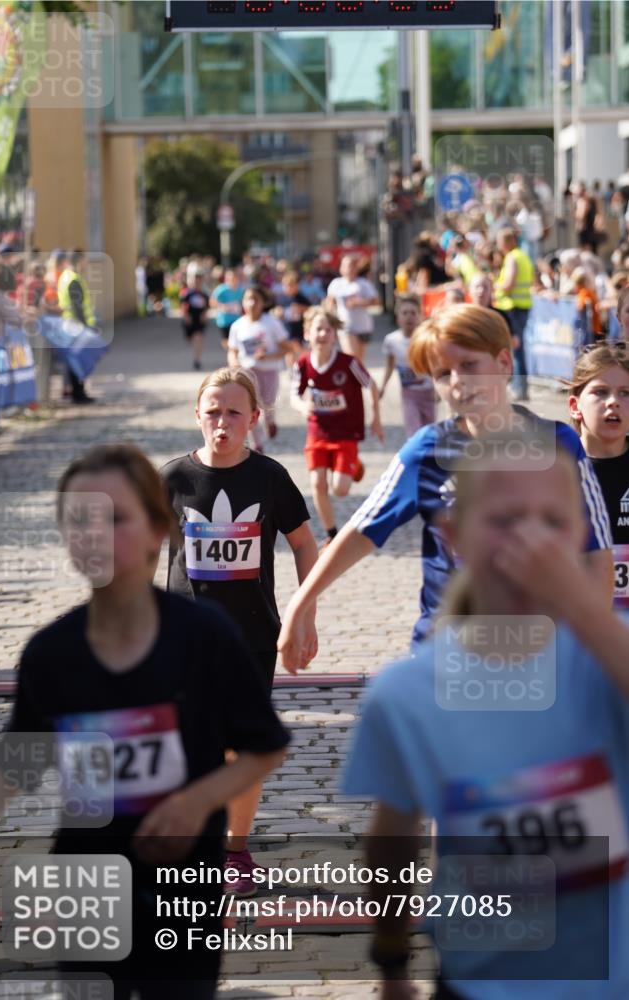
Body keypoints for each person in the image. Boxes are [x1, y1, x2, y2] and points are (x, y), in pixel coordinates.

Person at [0, 443, 290, 999]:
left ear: (159, 528)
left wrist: (194, 801)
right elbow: (19, 755)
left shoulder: (204, 636)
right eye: (79, 520)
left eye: (116, 518)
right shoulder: (52, 653)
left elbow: (264, 748)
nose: (96, 535)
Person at [342, 436, 629, 1000]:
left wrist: (580, 605)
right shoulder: (407, 692)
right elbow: (392, 838)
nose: (530, 540)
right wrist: (391, 958)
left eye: (553, 520)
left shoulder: (605, 661)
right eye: (505, 519)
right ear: (454, 535)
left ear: (582, 534)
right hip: (483, 983)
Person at [278, 305, 613, 669]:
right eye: (442, 373)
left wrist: (592, 642)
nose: (457, 381)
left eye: (469, 365)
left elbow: (597, 550)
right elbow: (361, 530)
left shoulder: (559, 444)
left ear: (504, 362)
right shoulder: (426, 451)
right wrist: (302, 603)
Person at [161, 368, 317, 891]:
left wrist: (304, 611)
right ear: (197, 416)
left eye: (234, 413)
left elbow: (303, 543)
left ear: (254, 418)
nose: (222, 423)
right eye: (212, 412)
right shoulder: (173, 480)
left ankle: (235, 848)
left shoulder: (269, 478)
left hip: (251, 634)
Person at [292, 307, 383, 547]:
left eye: (327, 329)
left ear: (334, 334)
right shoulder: (302, 363)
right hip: (317, 431)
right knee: (317, 483)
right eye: (317, 329)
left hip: (345, 432)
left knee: (340, 489)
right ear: (307, 333)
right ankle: (331, 534)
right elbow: (294, 395)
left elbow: (371, 385)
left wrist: (376, 418)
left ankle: (353, 465)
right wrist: (303, 407)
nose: (322, 334)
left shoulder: (348, 363)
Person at [569, 341, 629, 610]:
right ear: (575, 406)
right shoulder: (551, 470)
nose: (614, 402)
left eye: (626, 393)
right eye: (600, 392)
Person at [227, 285, 289, 449]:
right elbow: (232, 350)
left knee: (267, 403)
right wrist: (234, 363)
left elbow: (286, 347)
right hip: (247, 371)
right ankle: (257, 444)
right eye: (248, 299)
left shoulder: (271, 323)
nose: (252, 303)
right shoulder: (237, 325)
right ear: (243, 302)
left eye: (256, 299)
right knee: (249, 406)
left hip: (268, 370)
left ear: (263, 302)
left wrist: (268, 355)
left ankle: (270, 421)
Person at [379, 294, 436, 440]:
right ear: (398, 317)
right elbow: (390, 365)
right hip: (409, 394)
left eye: (413, 313)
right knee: (414, 433)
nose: (409, 317)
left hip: (428, 393)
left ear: (420, 317)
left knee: (429, 432)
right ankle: (417, 460)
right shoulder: (391, 340)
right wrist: (383, 387)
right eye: (405, 313)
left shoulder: (426, 339)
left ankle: (427, 460)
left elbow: (436, 365)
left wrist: (439, 389)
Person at [494, 227, 535, 401]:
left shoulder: (512, 257)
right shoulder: (523, 256)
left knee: (516, 348)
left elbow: (509, 284)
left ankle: (520, 388)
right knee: (518, 348)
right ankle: (521, 387)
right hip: (523, 306)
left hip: (513, 307)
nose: (498, 246)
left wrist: (495, 287)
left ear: (507, 242)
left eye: (500, 242)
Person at [57, 249, 96, 404]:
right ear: (79, 261)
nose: (86, 264)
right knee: (77, 360)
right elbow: (77, 305)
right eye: (84, 260)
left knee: (74, 360)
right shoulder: (73, 279)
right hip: (75, 325)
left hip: (69, 323)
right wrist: (85, 327)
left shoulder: (66, 276)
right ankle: (78, 393)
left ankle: (77, 391)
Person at [326, 254, 380, 365]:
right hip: (346, 326)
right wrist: (329, 320)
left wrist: (360, 302)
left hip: (364, 326)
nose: (349, 269)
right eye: (346, 265)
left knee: (359, 361)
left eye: (352, 266)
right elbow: (329, 303)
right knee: (351, 358)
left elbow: (376, 302)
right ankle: (354, 381)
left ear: (356, 268)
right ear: (341, 268)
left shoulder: (363, 284)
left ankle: (359, 382)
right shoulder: (336, 284)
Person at [180, 270, 209, 372]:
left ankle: (197, 360)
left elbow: (206, 307)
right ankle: (190, 341)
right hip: (190, 319)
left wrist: (205, 316)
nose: (197, 283)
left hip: (199, 320)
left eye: (199, 281)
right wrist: (186, 316)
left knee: (199, 338)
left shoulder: (204, 294)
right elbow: (183, 306)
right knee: (190, 338)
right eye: (195, 281)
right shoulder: (187, 294)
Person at [210, 267, 244, 350]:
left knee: (237, 341)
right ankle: (230, 354)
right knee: (227, 342)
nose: (233, 279)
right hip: (224, 320)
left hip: (237, 319)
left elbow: (244, 301)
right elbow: (212, 302)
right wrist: (223, 306)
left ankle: (234, 355)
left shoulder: (241, 289)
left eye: (234, 277)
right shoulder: (221, 289)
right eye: (230, 277)